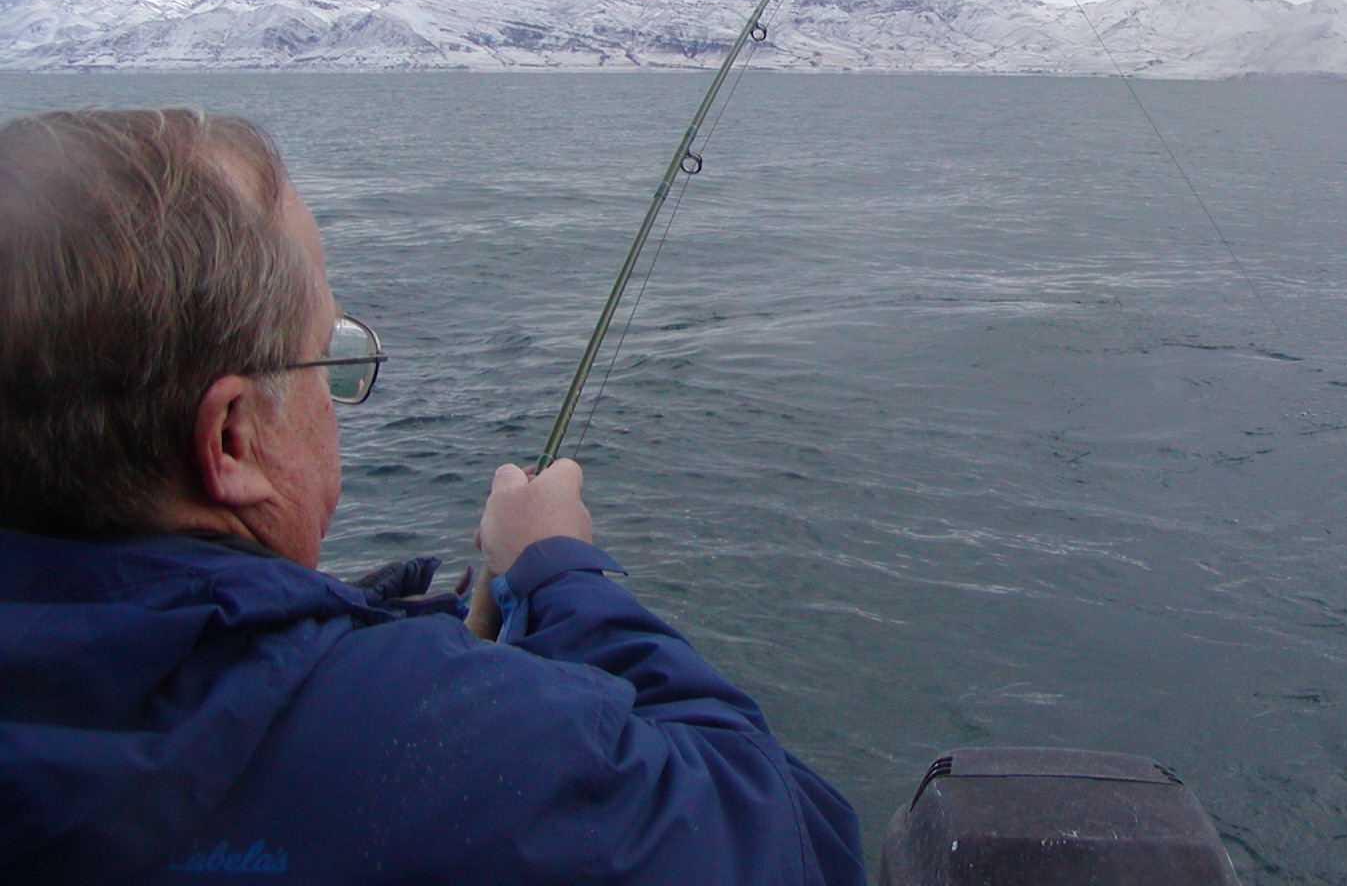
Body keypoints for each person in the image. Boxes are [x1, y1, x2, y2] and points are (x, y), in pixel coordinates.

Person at [0, 107, 866, 885]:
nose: (336, 396)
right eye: (326, 356)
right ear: (230, 439)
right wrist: (561, 575)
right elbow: (794, 842)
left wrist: (406, 632)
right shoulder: (437, 741)